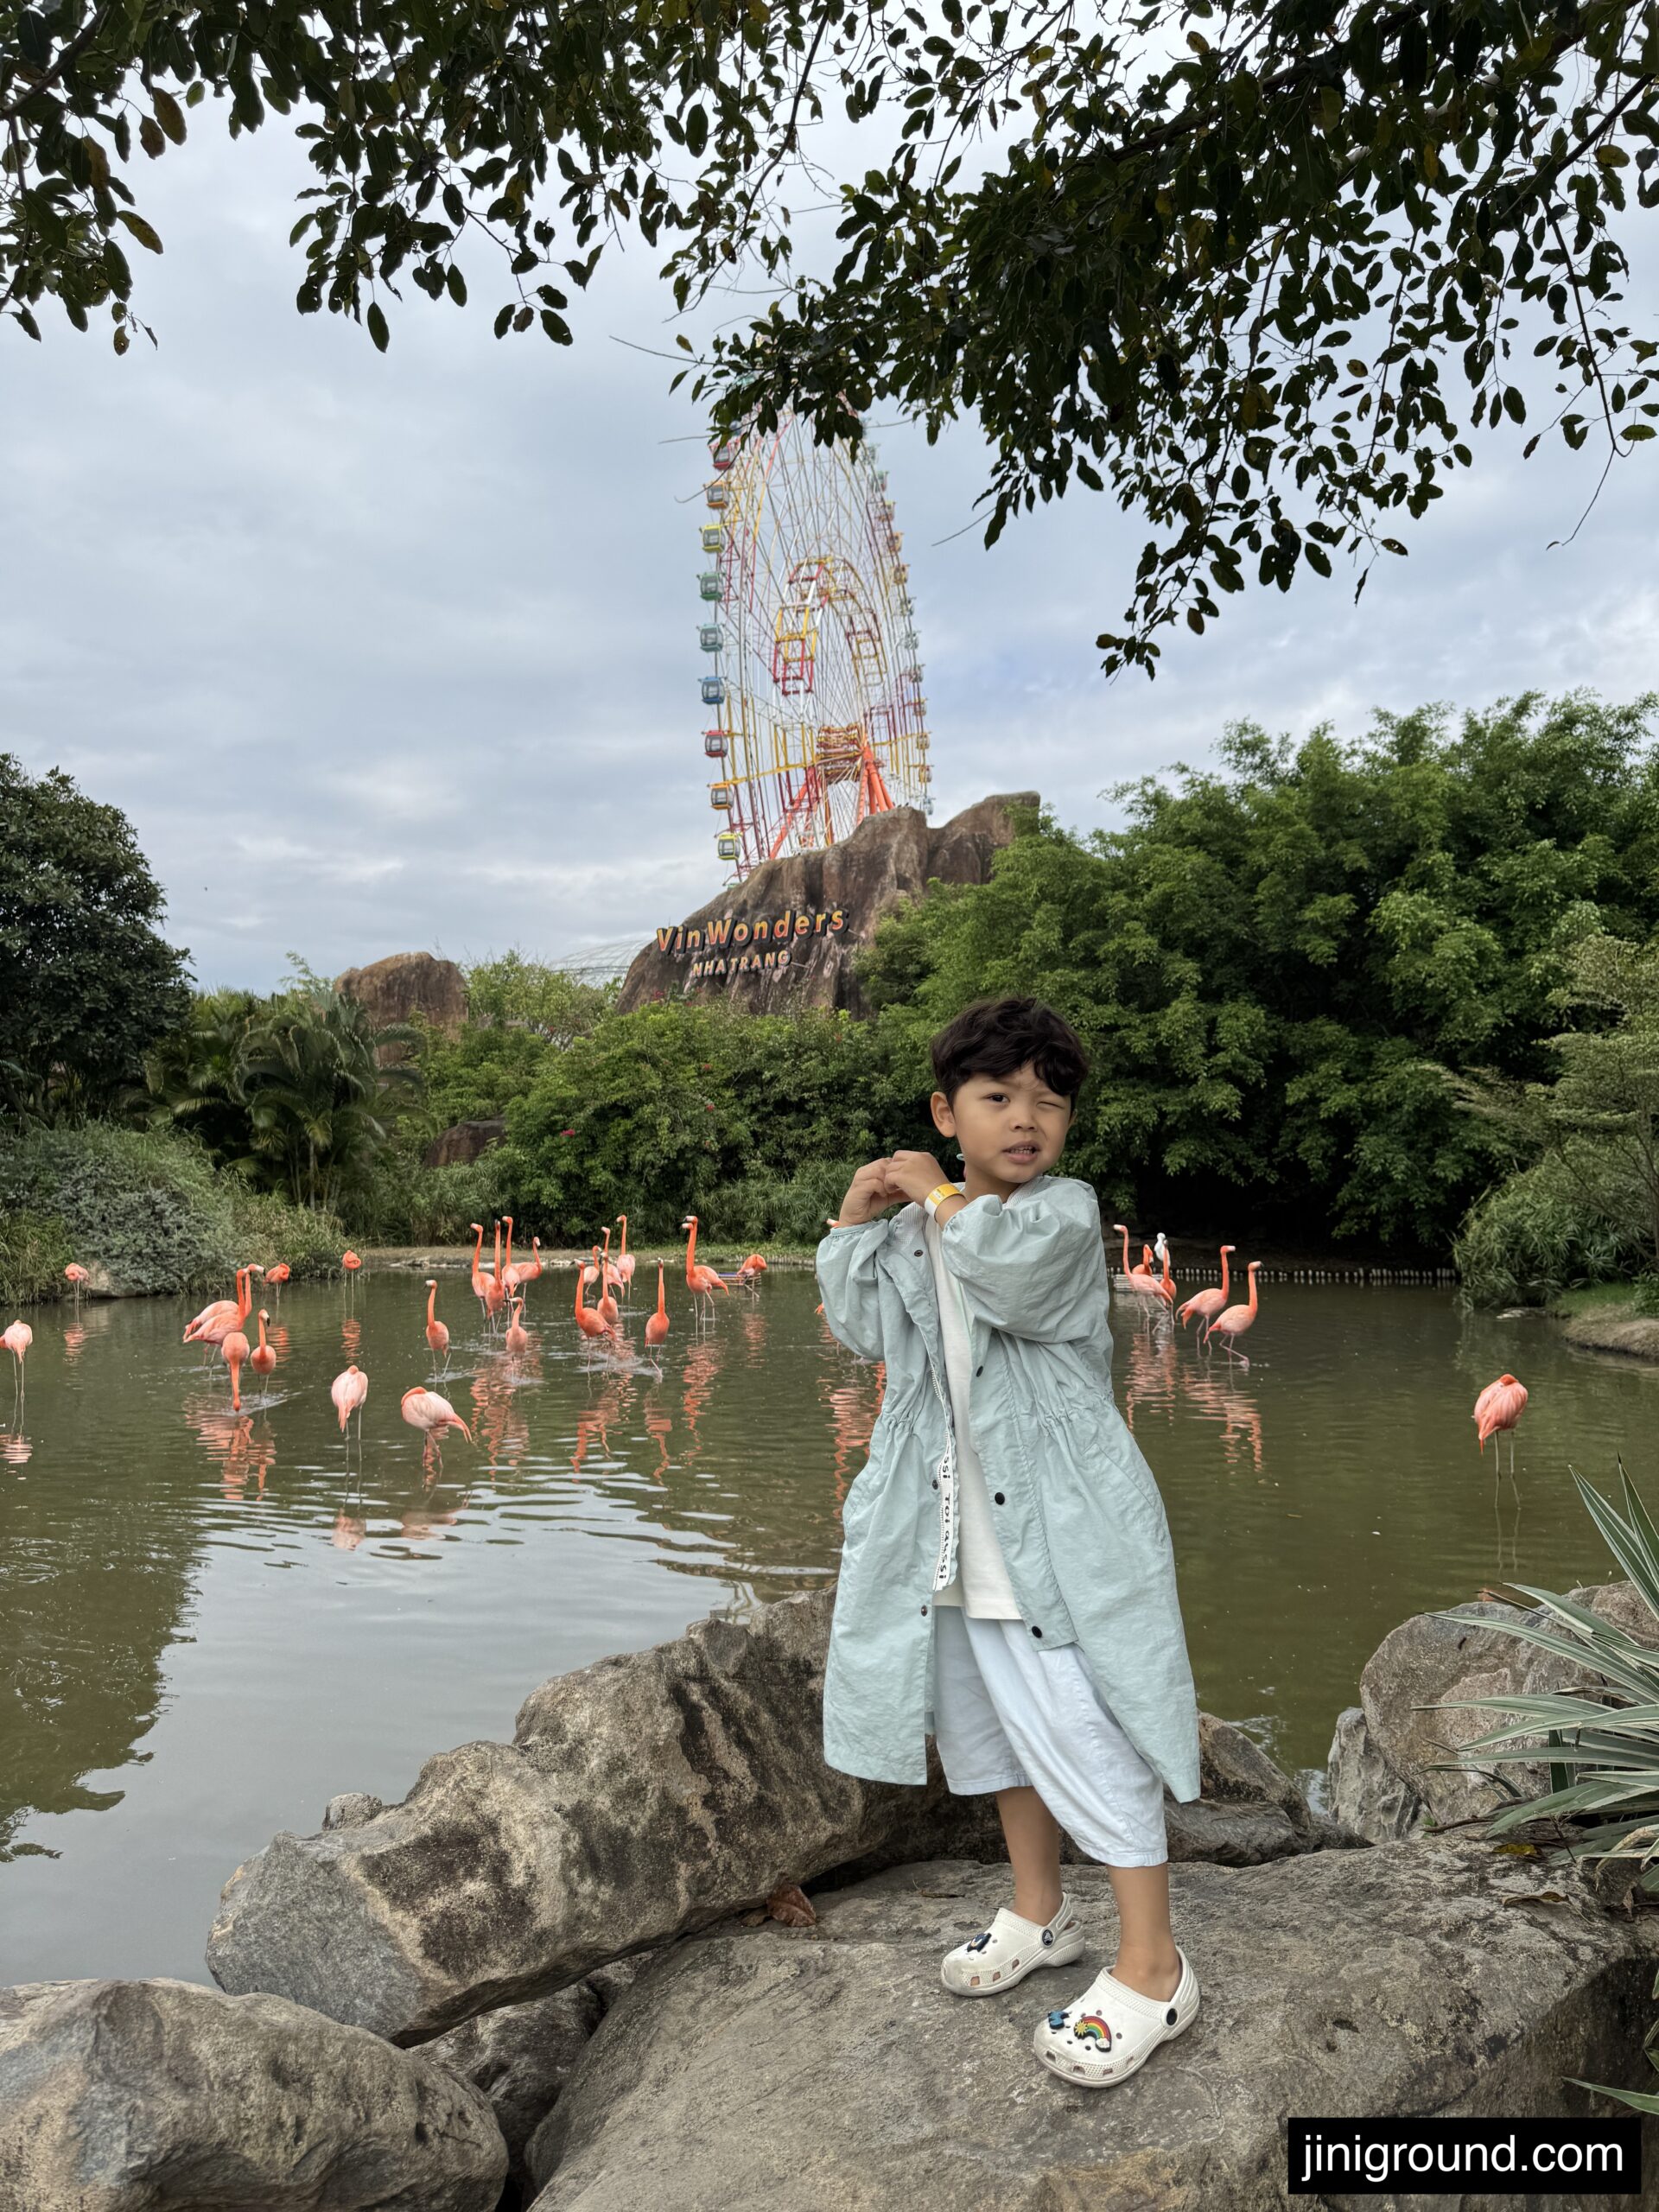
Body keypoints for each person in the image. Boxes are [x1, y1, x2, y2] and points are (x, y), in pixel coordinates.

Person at [815, 995, 1203, 2089]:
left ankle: (1154, 1965)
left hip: (1058, 1526)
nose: (1026, 1119)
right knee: (991, 1731)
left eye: (1049, 1100)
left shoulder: (1061, 1215)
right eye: (997, 1097)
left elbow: (1009, 1272)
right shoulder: (909, 1231)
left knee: (1088, 1724)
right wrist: (855, 1217)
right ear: (948, 1110)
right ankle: (1040, 1911)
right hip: (945, 1524)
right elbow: (860, 1324)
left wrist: (939, 1197)